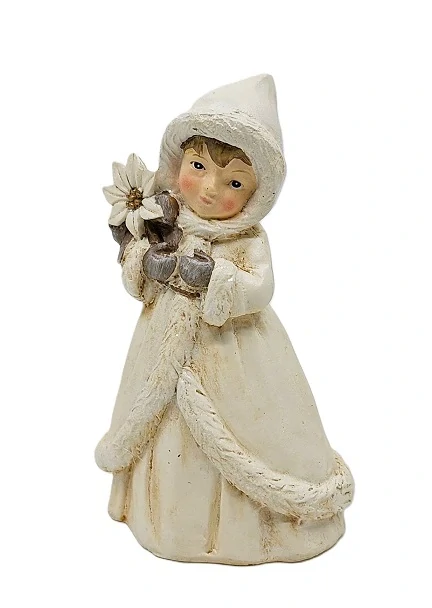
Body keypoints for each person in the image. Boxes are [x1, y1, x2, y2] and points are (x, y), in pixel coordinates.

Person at [95, 74, 354, 564]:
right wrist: (142, 260)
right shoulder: (164, 222)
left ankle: (246, 527)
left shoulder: (247, 239)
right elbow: (137, 280)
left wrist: (216, 278)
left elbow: (260, 286)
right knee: (157, 423)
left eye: (234, 182)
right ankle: (166, 519)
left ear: (256, 194)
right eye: (198, 167)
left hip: (232, 354)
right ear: (177, 164)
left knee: (242, 434)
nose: (210, 190)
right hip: (158, 350)